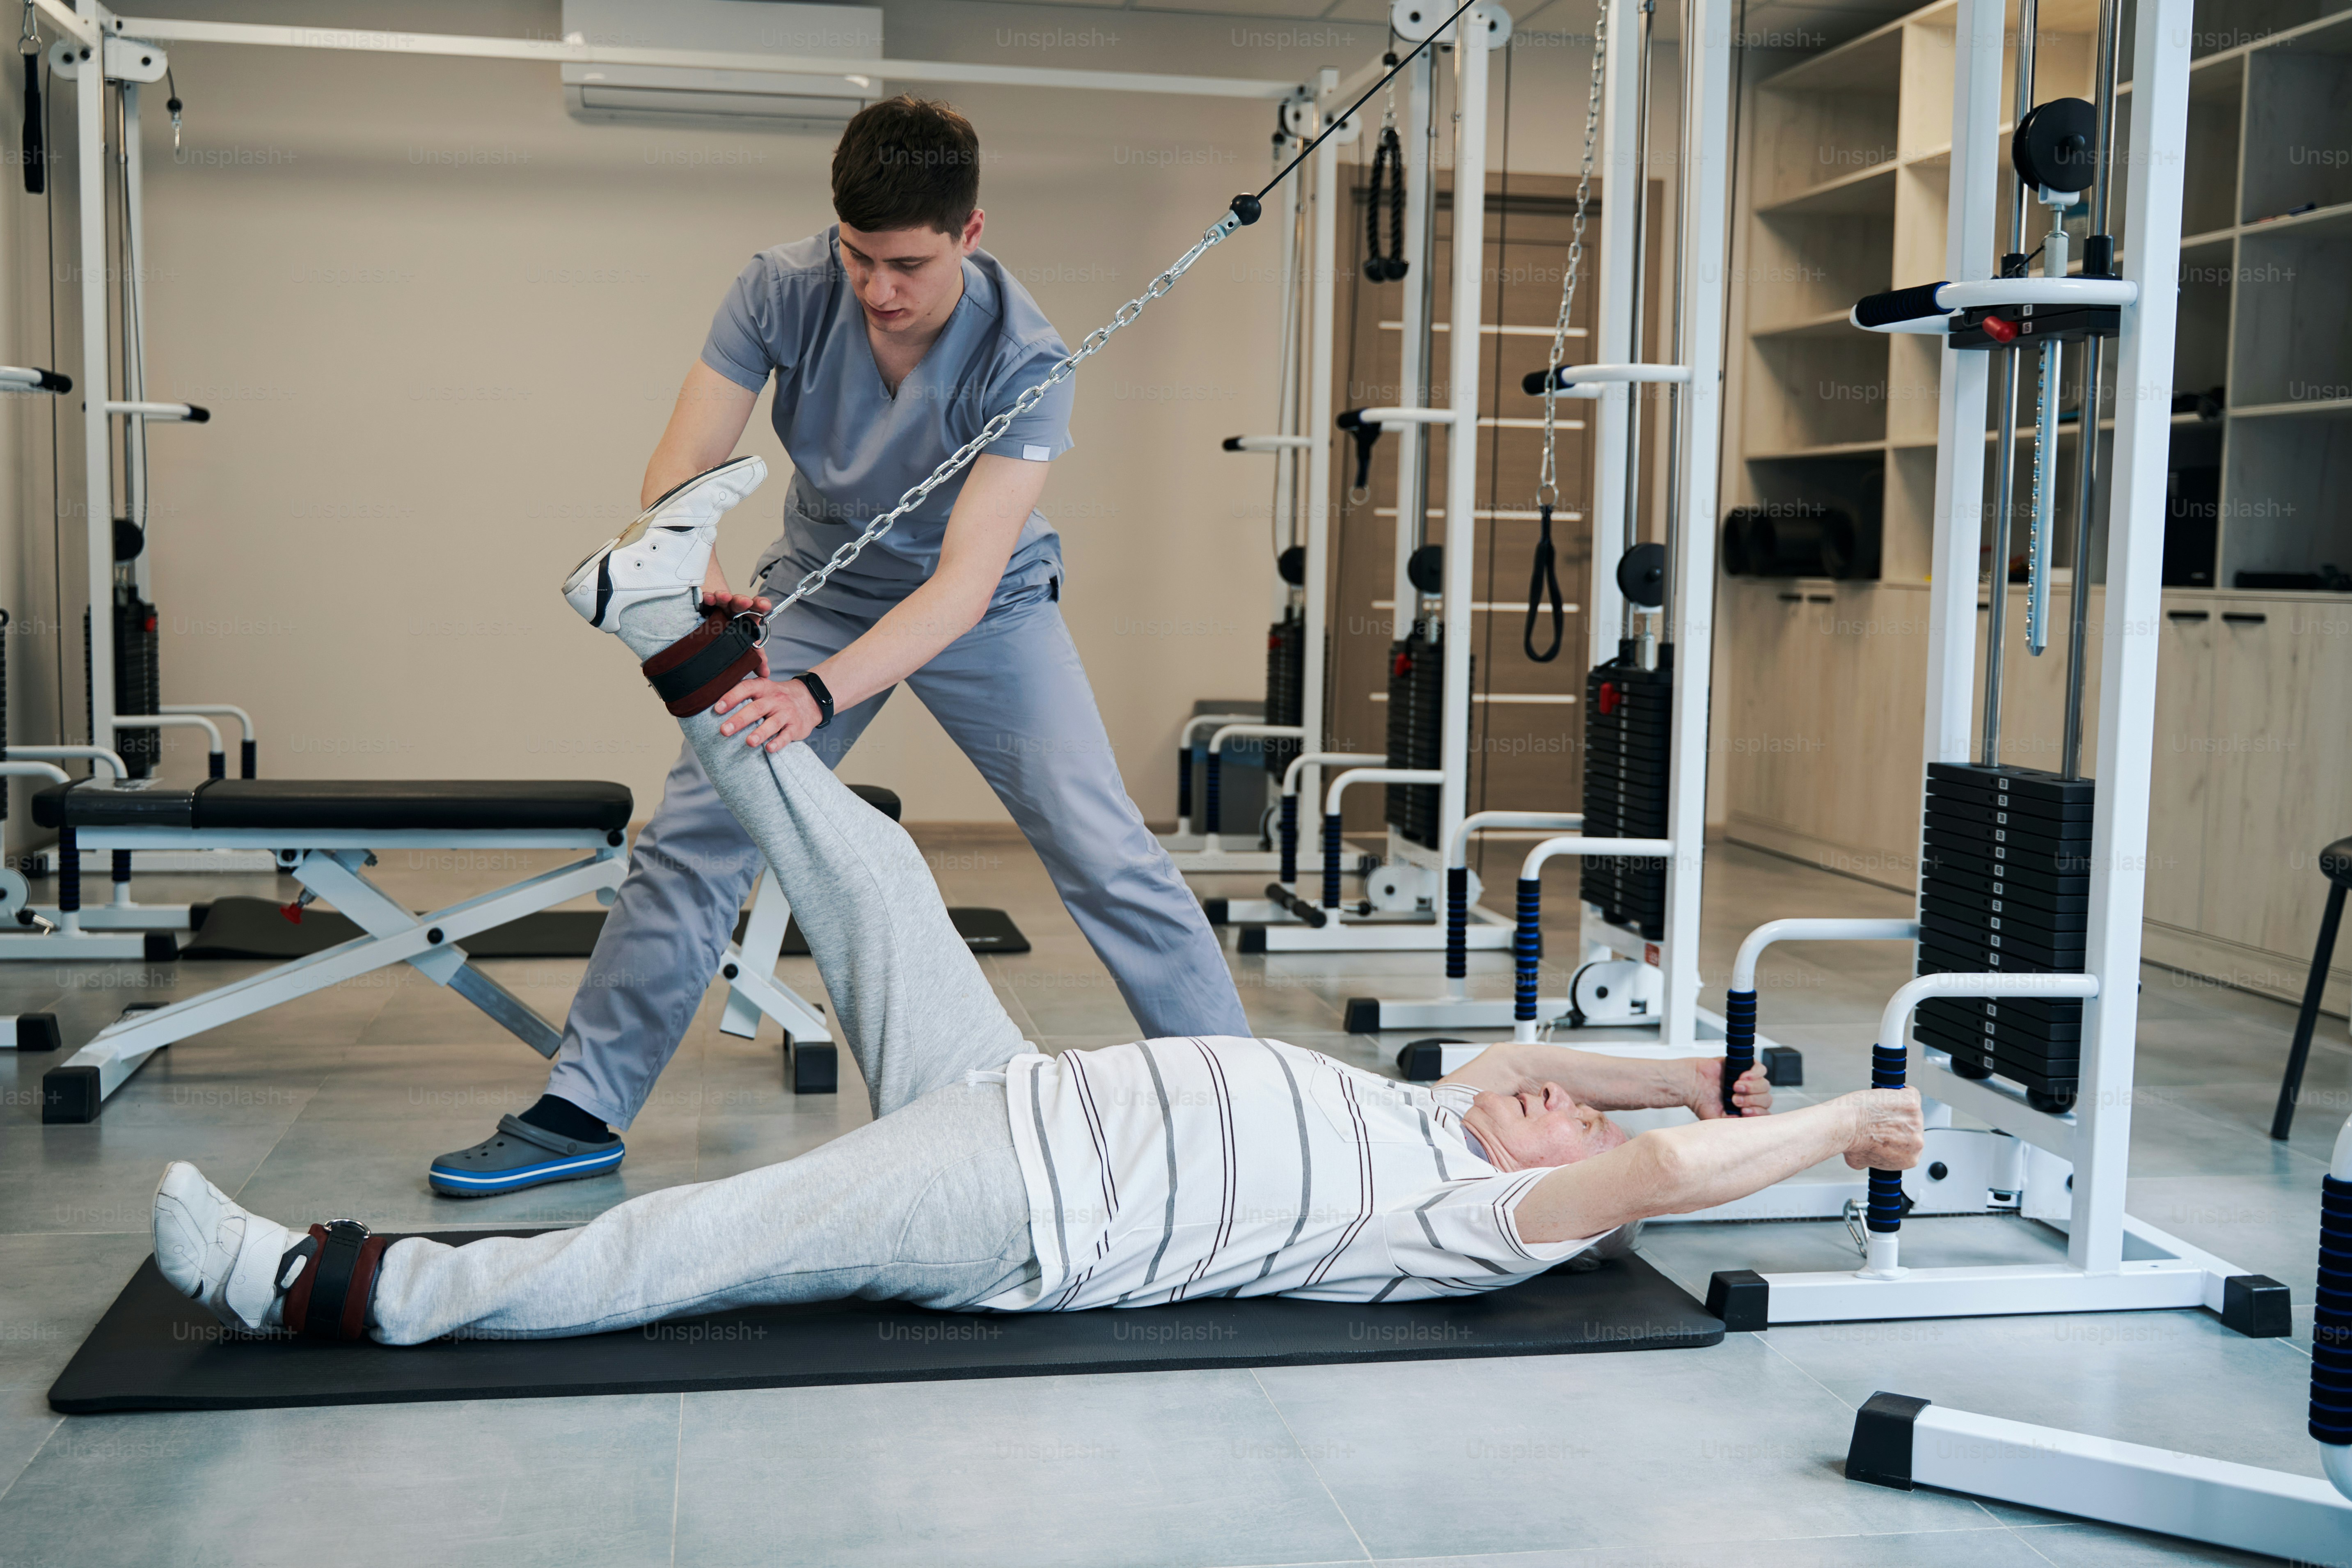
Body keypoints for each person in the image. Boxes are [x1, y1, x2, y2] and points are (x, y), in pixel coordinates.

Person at [153, 463, 1926, 1343]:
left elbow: (1656, 1181)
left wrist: (1831, 1124)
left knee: (696, 1240)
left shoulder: (1469, 1219)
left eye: (1574, 1125)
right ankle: (654, 619)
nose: (1559, 1101)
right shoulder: (1431, 1112)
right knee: (873, 862)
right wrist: (1679, 1071)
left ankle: (343, 1288)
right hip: (1007, 1086)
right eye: (1565, 1102)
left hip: (1024, 1207)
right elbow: (1559, 1074)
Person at [425, 93, 1254, 1199]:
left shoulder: (1026, 356)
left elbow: (961, 585)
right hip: (819, 586)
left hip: (988, 609)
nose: (877, 289)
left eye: (908, 264)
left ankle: (1250, 1107)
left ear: (969, 233)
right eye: (859, 256)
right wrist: (698, 577)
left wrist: (815, 694)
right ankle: (582, 1108)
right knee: (698, 833)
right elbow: (682, 469)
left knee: (1102, 848)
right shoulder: (779, 287)